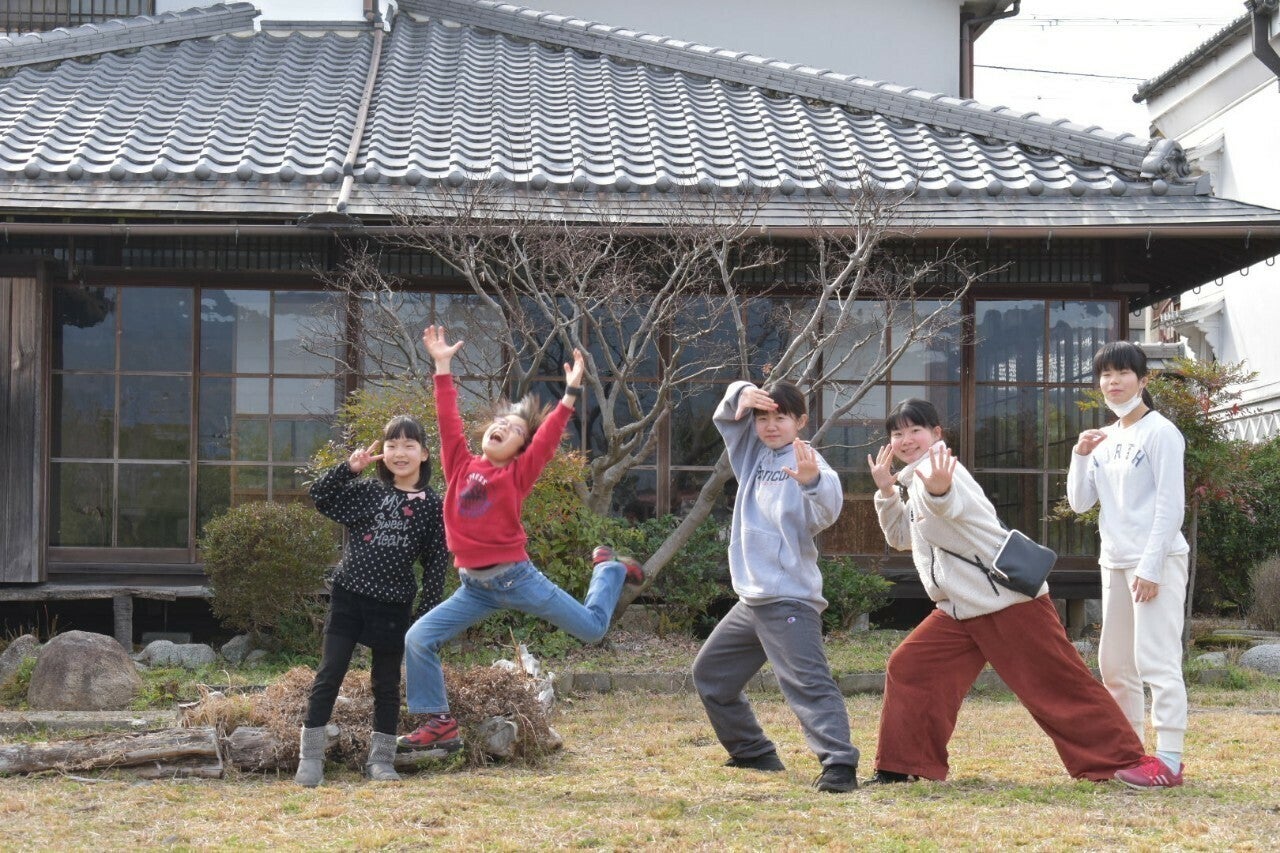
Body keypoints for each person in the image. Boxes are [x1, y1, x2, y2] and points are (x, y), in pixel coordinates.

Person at [863, 398, 1152, 786]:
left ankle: (1124, 762)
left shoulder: (943, 472)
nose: (906, 439)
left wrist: (940, 492)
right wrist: (886, 493)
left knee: (1057, 685)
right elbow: (903, 538)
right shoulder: (915, 479)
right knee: (912, 667)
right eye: (898, 433)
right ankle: (902, 766)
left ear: (936, 434)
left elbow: (949, 505)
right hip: (961, 607)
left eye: (916, 430)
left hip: (1007, 602)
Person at [399, 325, 644, 749]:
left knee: (592, 630)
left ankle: (609, 569)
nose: (501, 428)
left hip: (517, 579)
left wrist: (570, 394)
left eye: (512, 430)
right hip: (474, 589)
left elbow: (546, 441)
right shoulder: (459, 464)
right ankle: (439, 722)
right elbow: (447, 420)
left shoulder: (517, 474)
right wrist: (442, 367)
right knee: (418, 639)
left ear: (520, 448)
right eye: (498, 423)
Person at [692, 380, 861, 794]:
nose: (770, 426)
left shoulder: (809, 461)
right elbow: (726, 418)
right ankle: (752, 752)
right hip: (752, 599)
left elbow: (828, 511)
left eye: (780, 417)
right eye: (762, 417)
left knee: (808, 684)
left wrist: (811, 482)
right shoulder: (753, 455)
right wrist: (742, 393)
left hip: (788, 599)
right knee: (711, 674)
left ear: (800, 421)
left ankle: (840, 765)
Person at [295, 415, 449, 787]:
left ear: (424, 453)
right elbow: (320, 496)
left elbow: (436, 564)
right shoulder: (367, 491)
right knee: (329, 673)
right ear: (383, 452)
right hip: (349, 597)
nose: (400, 453)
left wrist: (426, 617)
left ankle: (381, 760)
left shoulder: (433, 505)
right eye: (392, 445)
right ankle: (310, 757)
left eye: (409, 445)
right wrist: (349, 469)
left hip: (394, 605)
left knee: (386, 685)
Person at [1067, 341, 1190, 789]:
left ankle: (1170, 761)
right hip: (1115, 561)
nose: (1113, 382)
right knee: (1115, 663)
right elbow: (1080, 503)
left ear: (1143, 380)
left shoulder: (1161, 432)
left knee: (1156, 659)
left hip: (1155, 561)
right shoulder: (1104, 437)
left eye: (1122, 373)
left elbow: (1170, 506)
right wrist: (1080, 454)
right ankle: (1128, 752)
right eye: (1105, 374)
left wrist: (1151, 568)